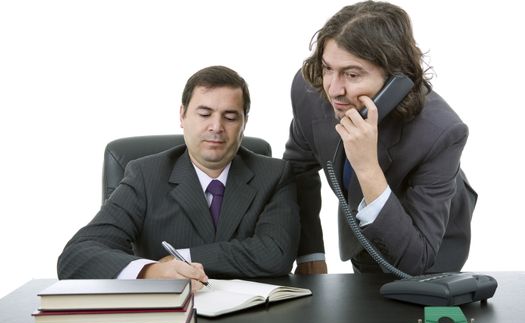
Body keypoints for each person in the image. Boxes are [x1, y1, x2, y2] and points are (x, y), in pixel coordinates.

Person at [58, 65, 300, 290]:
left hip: (251, 319)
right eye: (204, 114)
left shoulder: (274, 175)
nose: (216, 126)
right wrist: (151, 271)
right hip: (166, 319)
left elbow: (275, 254)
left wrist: (183, 257)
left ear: (244, 123)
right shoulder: (145, 176)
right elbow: (76, 256)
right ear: (182, 116)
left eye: (230, 117)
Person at [284, 0, 477, 275]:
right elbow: (296, 173)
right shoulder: (310, 92)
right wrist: (309, 253)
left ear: (395, 78)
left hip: (431, 247)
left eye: (352, 74)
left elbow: (417, 259)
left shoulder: (441, 131)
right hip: (362, 237)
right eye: (328, 68)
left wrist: (366, 167)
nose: (334, 89)